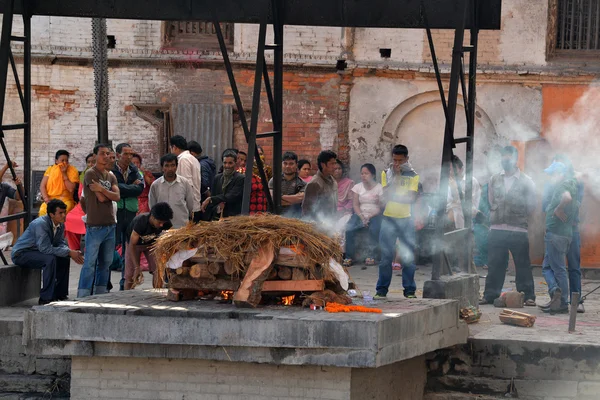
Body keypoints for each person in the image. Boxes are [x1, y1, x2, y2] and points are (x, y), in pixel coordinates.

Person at [480, 146, 537, 306]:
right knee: (495, 264)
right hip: (497, 229)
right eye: (503, 157)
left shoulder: (526, 181)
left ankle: (528, 296)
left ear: (515, 159)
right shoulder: (494, 179)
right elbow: (492, 201)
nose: (505, 160)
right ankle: (490, 295)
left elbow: (532, 205)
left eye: (508, 157)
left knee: (523, 265)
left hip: (518, 229)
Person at [12, 199, 84, 304]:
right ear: (51, 214)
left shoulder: (60, 224)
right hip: (22, 253)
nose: (64, 215)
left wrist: (68, 251)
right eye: (60, 213)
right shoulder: (41, 224)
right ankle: (46, 297)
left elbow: (60, 243)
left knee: (64, 258)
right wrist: (69, 252)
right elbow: (45, 248)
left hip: (38, 251)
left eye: (64, 212)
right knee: (49, 259)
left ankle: (60, 294)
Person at [374, 145, 419, 299]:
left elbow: (411, 198)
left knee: (408, 257)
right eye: (394, 160)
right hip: (389, 218)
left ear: (406, 159)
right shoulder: (386, 173)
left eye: (400, 160)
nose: (397, 164)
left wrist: (395, 193)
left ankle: (409, 290)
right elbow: (385, 195)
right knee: (386, 257)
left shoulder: (413, 176)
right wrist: (396, 179)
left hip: (406, 218)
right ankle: (381, 290)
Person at [542, 154, 585, 313]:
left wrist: (559, 208)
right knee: (551, 265)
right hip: (557, 230)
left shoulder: (573, 184)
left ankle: (575, 300)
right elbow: (545, 206)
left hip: (570, 229)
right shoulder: (551, 185)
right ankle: (556, 298)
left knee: (572, 266)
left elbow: (575, 204)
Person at [77, 144, 120, 298]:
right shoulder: (90, 173)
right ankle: (83, 293)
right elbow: (102, 199)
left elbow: (117, 197)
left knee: (106, 262)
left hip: (110, 224)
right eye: (102, 153)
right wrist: (107, 194)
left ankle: (100, 292)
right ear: (95, 156)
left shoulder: (111, 175)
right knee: (90, 262)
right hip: (95, 225)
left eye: (108, 153)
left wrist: (101, 189)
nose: (106, 156)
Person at [112, 143, 144, 291]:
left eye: (131, 154)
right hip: (115, 213)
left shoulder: (134, 170)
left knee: (129, 250)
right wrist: (129, 187)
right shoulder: (111, 169)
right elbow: (113, 188)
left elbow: (139, 189)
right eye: (126, 154)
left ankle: (125, 283)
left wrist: (121, 188)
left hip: (130, 213)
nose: (129, 157)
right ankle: (104, 284)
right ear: (118, 155)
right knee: (110, 248)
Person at [124, 202, 173, 290]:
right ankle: (127, 296)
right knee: (130, 275)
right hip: (134, 246)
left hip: (151, 245)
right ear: (153, 217)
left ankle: (157, 293)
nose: (161, 225)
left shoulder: (165, 222)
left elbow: (171, 235)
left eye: (163, 223)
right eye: (159, 222)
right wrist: (137, 267)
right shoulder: (141, 221)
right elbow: (132, 244)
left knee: (158, 271)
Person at [345, 163, 383, 267]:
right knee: (349, 229)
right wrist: (362, 217)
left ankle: (372, 256)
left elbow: (380, 208)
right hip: (360, 213)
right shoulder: (357, 187)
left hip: (374, 214)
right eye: (362, 173)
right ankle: (349, 257)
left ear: (373, 175)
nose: (363, 176)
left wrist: (369, 217)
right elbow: (355, 205)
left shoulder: (379, 188)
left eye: (366, 173)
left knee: (374, 229)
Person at [149, 154, 195, 229]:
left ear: (176, 167)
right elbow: (152, 206)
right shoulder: (155, 185)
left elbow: (190, 205)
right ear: (162, 168)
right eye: (166, 166)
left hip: (181, 227)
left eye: (173, 165)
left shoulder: (185, 183)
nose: (170, 168)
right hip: (162, 228)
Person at [201, 149, 245, 219]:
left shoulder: (240, 178)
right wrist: (217, 208)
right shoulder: (217, 178)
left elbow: (231, 196)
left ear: (235, 163)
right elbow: (213, 201)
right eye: (225, 163)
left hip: (234, 218)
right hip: (218, 219)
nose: (227, 166)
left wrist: (211, 199)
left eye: (230, 163)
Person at [169, 135, 202, 221]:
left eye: (171, 148)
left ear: (174, 147)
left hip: (188, 208)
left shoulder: (183, 160)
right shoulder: (192, 158)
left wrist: (185, 208)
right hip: (193, 206)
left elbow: (187, 185)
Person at [39, 150, 79, 216]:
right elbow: (42, 186)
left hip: (66, 200)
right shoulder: (50, 169)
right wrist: (47, 200)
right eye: (62, 160)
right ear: (56, 161)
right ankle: (48, 226)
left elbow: (71, 189)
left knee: (63, 211)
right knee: (43, 211)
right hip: (50, 200)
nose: (64, 163)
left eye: (66, 160)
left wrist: (64, 173)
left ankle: (59, 226)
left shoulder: (72, 170)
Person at [302, 150, 338, 224]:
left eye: (335, 163)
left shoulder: (333, 180)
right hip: (318, 226)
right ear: (323, 165)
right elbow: (307, 210)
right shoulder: (315, 183)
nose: (335, 167)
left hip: (331, 223)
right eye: (332, 164)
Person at [446, 155, 481, 230]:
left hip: (467, 226)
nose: (450, 172)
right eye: (449, 170)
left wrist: (455, 191)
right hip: (451, 225)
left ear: (461, 169)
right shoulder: (448, 183)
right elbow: (447, 205)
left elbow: (469, 206)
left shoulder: (471, 182)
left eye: (453, 170)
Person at [268, 151, 306, 217]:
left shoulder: (302, 184)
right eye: (285, 163)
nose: (288, 166)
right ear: (281, 164)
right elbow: (271, 198)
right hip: (274, 217)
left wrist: (279, 197)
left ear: (296, 165)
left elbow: (299, 198)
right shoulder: (274, 180)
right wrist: (291, 200)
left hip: (295, 218)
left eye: (291, 164)